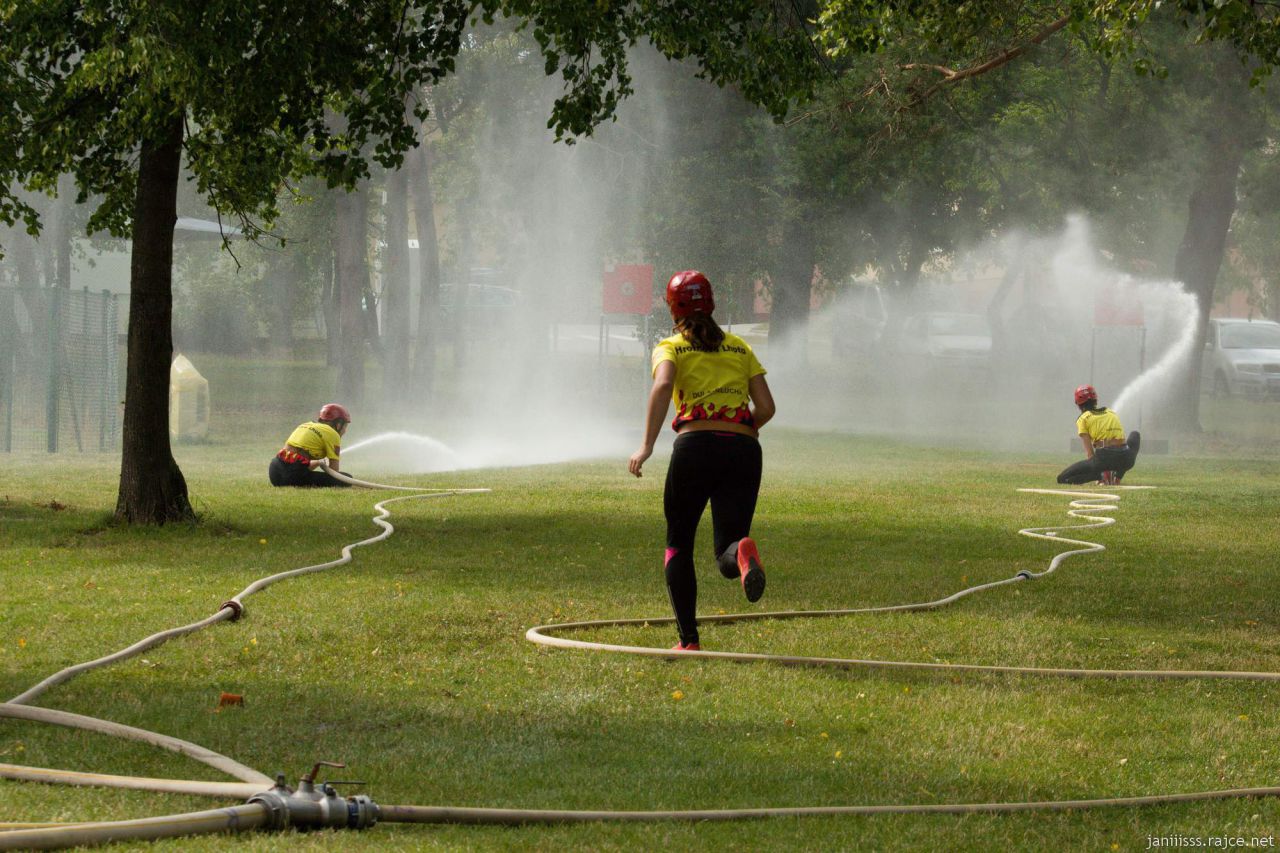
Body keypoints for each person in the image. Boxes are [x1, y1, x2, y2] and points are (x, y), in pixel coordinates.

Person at [629, 270, 777, 652]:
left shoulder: (671, 346)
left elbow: (664, 385)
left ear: (672, 308)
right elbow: (766, 407)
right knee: (726, 549)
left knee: (678, 543)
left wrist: (646, 445)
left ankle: (689, 641)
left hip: (695, 447)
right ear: (711, 304)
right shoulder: (739, 348)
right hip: (744, 449)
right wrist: (737, 430)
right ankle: (741, 551)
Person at [1057, 385, 1140, 485]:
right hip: (1126, 460)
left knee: (1062, 478)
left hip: (1104, 460)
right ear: (1095, 400)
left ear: (1078, 404)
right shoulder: (1111, 412)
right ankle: (1117, 477)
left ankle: (1101, 476)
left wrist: (1096, 469)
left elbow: (1090, 453)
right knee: (1135, 434)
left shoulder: (1083, 419)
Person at [268, 403, 355, 487]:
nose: (345, 431)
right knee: (346, 478)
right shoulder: (333, 434)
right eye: (345, 426)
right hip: (293, 476)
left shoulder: (305, 425)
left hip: (274, 472)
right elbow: (334, 473)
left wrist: (319, 462)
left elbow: (297, 461)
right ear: (338, 425)